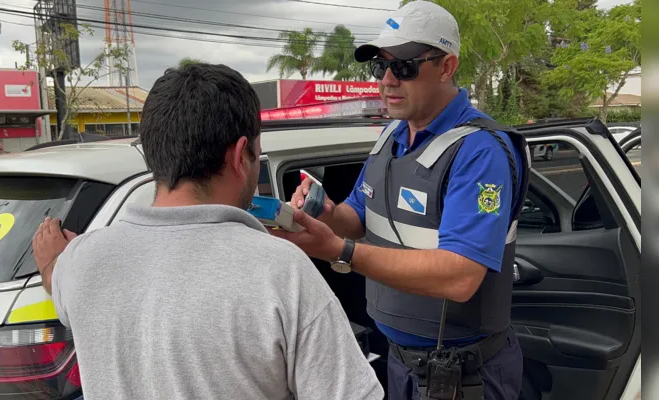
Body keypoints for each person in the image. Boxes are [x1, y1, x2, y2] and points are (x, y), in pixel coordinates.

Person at [31, 63, 384, 400]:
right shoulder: (283, 272)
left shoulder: (82, 259)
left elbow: (58, 281)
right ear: (240, 154)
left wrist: (51, 263)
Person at [271, 2, 530, 400]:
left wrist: (340, 251)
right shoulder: (391, 138)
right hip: (401, 361)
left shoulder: (480, 152)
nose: (388, 80)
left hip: (462, 373)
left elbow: (460, 277)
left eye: (404, 66)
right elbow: (358, 216)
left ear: (446, 67)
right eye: (380, 66)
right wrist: (325, 212)